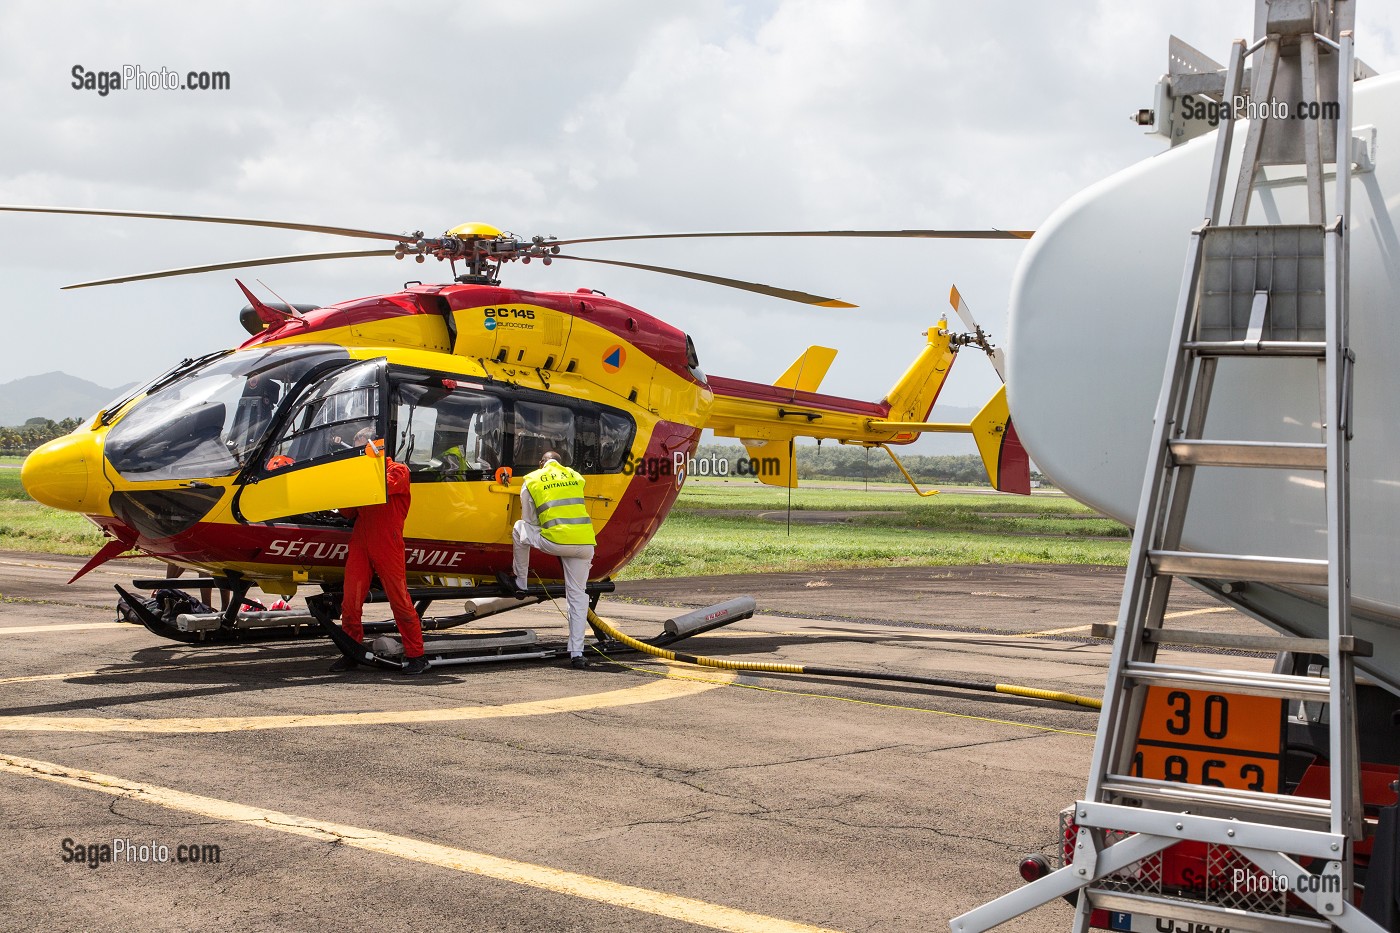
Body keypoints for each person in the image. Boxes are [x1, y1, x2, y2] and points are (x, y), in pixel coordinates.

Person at [331, 428, 429, 675]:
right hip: (362, 539)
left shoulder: (398, 470)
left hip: (387, 541)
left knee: (399, 599)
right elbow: (347, 511)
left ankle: (417, 655)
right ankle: (351, 652)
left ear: (375, 447)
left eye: (361, 448)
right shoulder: (363, 475)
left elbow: (381, 486)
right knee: (350, 601)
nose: (357, 455)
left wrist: (353, 478)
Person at [498, 450, 596, 668]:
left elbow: (530, 519)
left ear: (541, 463)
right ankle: (577, 653)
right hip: (584, 543)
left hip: (556, 541)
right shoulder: (575, 476)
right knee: (578, 597)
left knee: (519, 528)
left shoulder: (532, 480)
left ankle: (520, 582)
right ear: (560, 463)